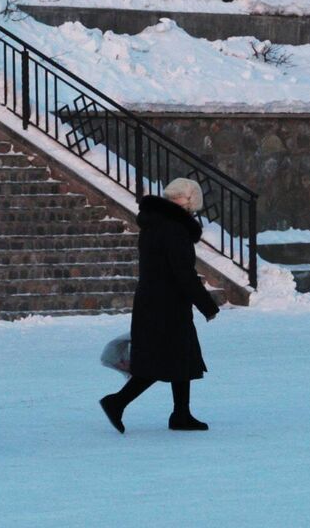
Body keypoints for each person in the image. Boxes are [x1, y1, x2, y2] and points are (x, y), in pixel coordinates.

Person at [100, 177, 221, 433]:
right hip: (167, 305)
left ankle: (181, 414)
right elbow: (183, 272)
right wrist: (207, 305)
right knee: (160, 361)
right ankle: (117, 402)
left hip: (155, 301)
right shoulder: (174, 228)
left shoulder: (155, 224)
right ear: (190, 201)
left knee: (181, 358)